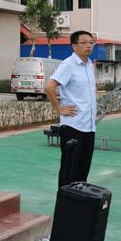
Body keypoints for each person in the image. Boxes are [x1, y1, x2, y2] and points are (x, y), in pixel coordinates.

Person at [43, 30, 98, 189]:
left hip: (88, 127)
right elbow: (49, 86)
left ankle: (78, 208)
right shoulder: (68, 65)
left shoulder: (89, 65)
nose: (89, 45)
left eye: (91, 42)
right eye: (84, 42)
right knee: (69, 172)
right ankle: (64, 210)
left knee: (82, 172)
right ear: (74, 46)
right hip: (73, 127)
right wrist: (59, 109)